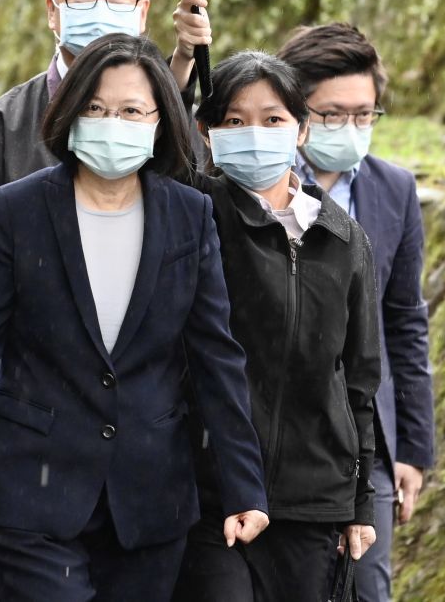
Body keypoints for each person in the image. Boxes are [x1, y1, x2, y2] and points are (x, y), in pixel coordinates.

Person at [0, 34, 269, 602]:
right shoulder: (16, 210)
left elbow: (215, 357)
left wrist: (244, 486)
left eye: (132, 110)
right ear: (70, 114)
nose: (113, 123)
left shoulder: (190, 216)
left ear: (161, 121)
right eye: (96, 109)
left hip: (150, 496)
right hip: (30, 490)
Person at [173, 51, 381, 602]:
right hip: (210, 493)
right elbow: (160, 153)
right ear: (205, 132)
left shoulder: (345, 239)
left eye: (273, 119)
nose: (255, 134)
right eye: (234, 121)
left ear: (302, 128)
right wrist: (181, 62)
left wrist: (359, 502)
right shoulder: (197, 211)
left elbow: (358, 382)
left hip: (312, 502)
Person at [0, 0, 212, 345]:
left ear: (142, 13)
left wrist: (183, 67)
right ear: (53, 11)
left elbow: (198, 233)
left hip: (150, 383)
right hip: (34, 387)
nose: (100, 8)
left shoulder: (172, 124)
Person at [278, 23, 435, 602]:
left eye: (364, 115)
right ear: (295, 113)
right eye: (331, 114)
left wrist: (414, 448)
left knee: (368, 587)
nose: (349, 128)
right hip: (277, 433)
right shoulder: (257, 186)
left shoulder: (393, 190)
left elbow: (405, 322)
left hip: (365, 438)